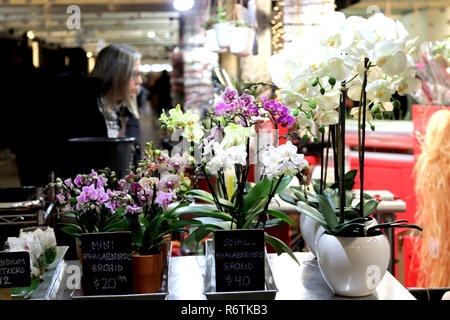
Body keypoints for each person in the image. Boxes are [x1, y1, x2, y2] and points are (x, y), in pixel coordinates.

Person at [14, 44, 143, 186]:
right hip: (74, 197)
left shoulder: (124, 112)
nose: (140, 81)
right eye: (135, 74)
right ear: (118, 74)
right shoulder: (77, 103)